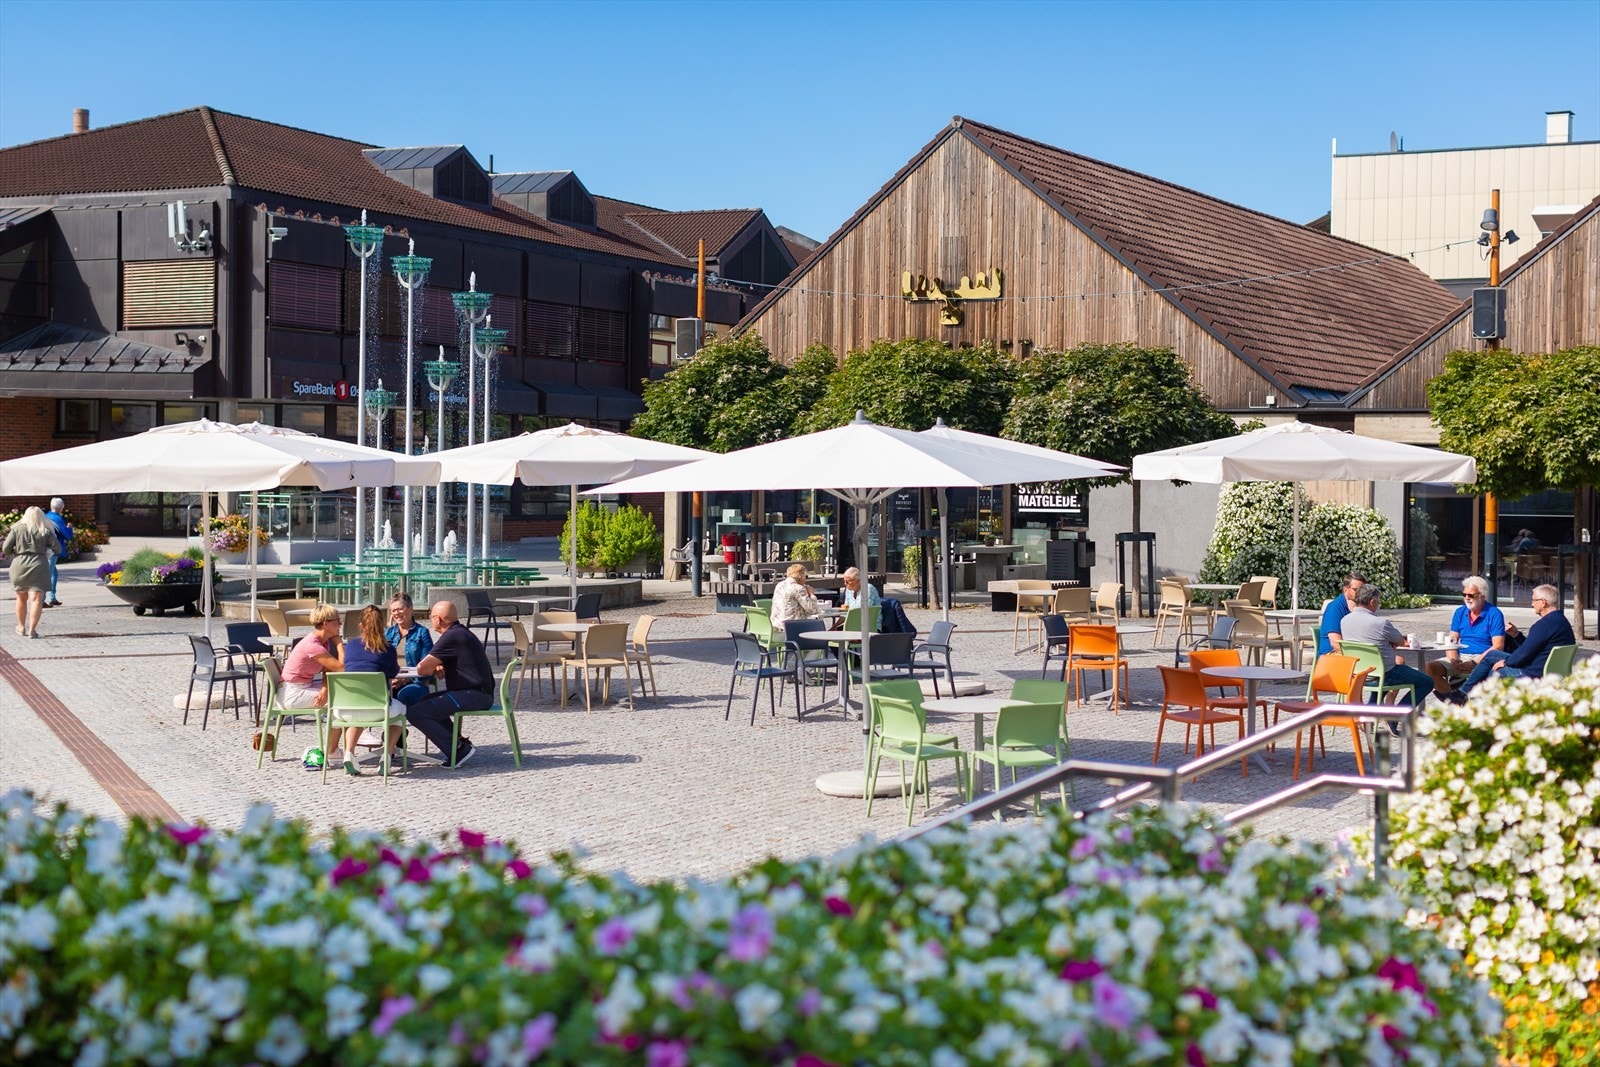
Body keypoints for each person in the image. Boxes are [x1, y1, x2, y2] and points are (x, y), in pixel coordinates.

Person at [406, 600, 495, 768]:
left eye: (431, 617)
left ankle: (458, 750)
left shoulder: (451, 636)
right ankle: (459, 743)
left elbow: (423, 668)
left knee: (415, 713)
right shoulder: (460, 632)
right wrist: (440, 663)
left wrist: (434, 664)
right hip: (477, 693)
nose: (431, 620)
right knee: (423, 702)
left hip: (473, 695)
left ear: (438, 620)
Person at [1448, 584, 1575, 702]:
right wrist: (1516, 634)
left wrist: (1506, 662)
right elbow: (1532, 647)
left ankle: (1479, 703)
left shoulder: (1543, 625)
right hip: (1545, 668)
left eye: (1534, 600)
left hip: (1531, 672)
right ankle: (1461, 693)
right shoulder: (1562, 622)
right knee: (1492, 654)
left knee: (1496, 670)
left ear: (1543, 602)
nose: (1532, 604)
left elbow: (1524, 653)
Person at [338, 605, 407, 776]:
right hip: (378, 708)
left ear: (361, 625)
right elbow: (393, 673)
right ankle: (387, 755)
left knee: (359, 712)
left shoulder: (351, 646)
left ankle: (349, 753)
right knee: (399, 714)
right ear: (382, 626)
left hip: (346, 709)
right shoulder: (388, 649)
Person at [1338, 583, 1432, 707]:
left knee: (1383, 668)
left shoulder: (1345, 620)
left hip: (1359, 674)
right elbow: (1400, 641)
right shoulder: (1381, 623)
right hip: (1385, 674)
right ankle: (1397, 714)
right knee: (1427, 682)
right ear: (1372, 601)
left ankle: (1372, 710)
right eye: (1378, 601)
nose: (1378, 604)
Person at [278, 605, 344, 759]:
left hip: (302, 686)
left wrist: (324, 689)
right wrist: (340, 644)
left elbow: (327, 670)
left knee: (342, 693)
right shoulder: (313, 645)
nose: (340, 624)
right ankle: (332, 751)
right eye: (337, 621)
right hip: (291, 693)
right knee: (341, 700)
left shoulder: (323, 642)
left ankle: (348, 737)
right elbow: (341, 668)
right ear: (326, 624)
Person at [1424, 575, 1506, 699]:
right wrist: (1453, 659)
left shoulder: (1494, 614)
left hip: (1482, 658)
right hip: (1461, 657)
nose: (1467, 598)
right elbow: (1452, 640)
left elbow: (1498, 646)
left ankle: (1456, 702)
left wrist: (1473, 662)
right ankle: (1453, 701)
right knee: (1430, 668)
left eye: (1471, 595)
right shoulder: (1460, 612)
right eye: (1464, 595)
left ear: (1483, 596)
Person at [3, 506, 62, 639]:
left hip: (19, 564)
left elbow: (6, 549)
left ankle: (21, 627)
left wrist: (17, 552)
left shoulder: (17, 529)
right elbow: (58, 549)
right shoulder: (45, 531)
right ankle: (32, 630)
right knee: (36, 599)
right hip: (39, 564)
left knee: (21, 598)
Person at [385, 593, 435, 708]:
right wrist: (390, 679)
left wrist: (404, 680)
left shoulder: (422, 632)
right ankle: (395, 726)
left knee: (405, 695)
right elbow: (381, 660)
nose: (396, 613)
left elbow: (427, 664)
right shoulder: (388, 633)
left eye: (400, 609)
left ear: (410, 608)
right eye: (393, 611)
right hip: (390, 681)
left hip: (414, 682)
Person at [1315, 572, 1365, 658]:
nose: (1360, 593)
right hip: (1331, 655)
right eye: (1356, 590)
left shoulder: (1363, 607)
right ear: (1345, 590)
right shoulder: (1334, 608)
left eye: (1363, 590)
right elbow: (1335, 643)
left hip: (1355, 652)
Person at [769, 563, 822, 628]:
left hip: (776, 625)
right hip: (791, 627)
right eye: (806, 577)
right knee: (819, 624)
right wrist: (811, 594)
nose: (806, 580)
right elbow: (813, 610)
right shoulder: (798, 588)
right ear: (800, 577)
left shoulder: (779, 585)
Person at [43, 498, 72, 608]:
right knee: (49, 573)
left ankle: (53, 598)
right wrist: (70, 528)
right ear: (61, 508)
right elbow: (67, 535)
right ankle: (42, 600)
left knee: (53, 573)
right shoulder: (57, 519)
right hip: (53, 549)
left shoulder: (45, 516)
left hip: (45, 548)